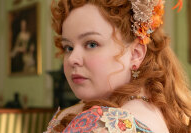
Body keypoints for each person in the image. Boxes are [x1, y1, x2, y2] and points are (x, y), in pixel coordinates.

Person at [45, 0, 191, 132]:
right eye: (68, 47)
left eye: (91, 44)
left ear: (135, 54)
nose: (72, 59)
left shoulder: (103, 125)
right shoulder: (158, 111)